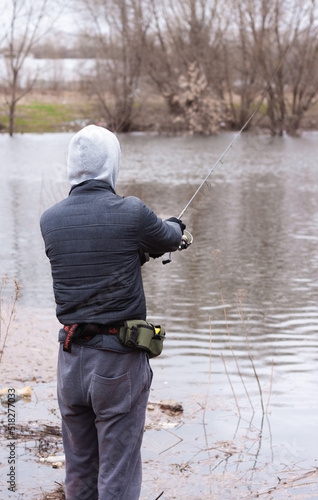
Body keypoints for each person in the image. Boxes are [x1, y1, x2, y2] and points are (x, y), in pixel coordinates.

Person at [40, 125, 185, 500]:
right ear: (112, 164)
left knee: (79, 472)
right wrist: (179, 228)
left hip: (70, 364)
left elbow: (93, 260)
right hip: (117, 366)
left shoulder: (50, 220)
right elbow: (169, 236)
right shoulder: (132, 213)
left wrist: (134, 254)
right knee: (117, 478)